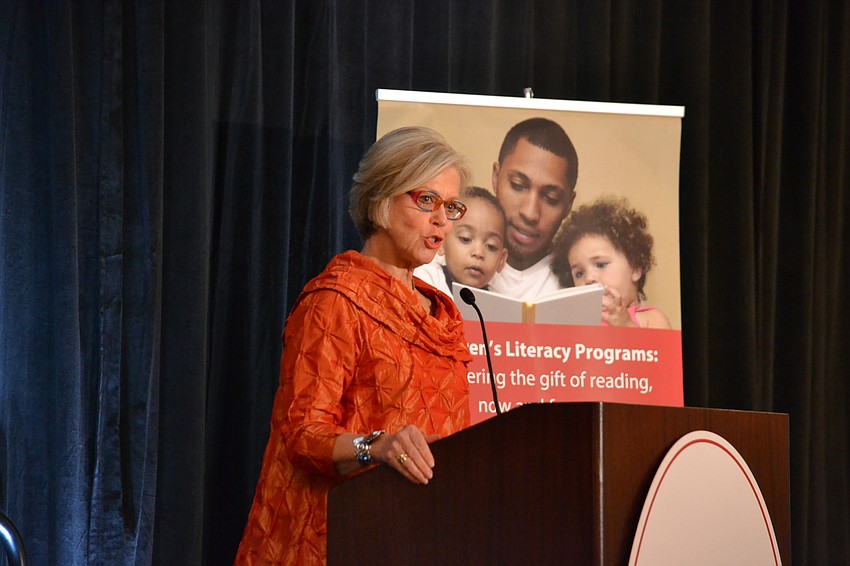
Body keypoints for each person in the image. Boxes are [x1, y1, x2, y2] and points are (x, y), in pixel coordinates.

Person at [234, 126, 474, 564]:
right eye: (427, 200)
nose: (442, 220)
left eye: (452, 206)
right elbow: (302, 435)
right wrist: (377, 446)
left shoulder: (444, 317)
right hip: (339, 537)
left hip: (423, 537)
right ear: (381, 199)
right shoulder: (335, 302)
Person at [488, 117, 579, 300]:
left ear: (568, 205)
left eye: (550, 198)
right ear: (496, 177)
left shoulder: (580, 283)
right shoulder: (444, 264)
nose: (530, 213)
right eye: (518, 185)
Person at [550, 196, 672, 329]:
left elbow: (660, 343)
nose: (589, 278)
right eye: (579, 273)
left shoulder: (650, 318)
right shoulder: (582, 324)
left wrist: (626, 325)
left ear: (635, 268)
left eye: (601, 265)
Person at [413, 186, 508, 296]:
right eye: (465, 239)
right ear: (442, 242)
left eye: (491, 246)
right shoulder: (426, 281)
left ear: (501, 260)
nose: (478, 253)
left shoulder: (498, 301)